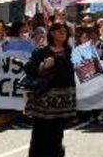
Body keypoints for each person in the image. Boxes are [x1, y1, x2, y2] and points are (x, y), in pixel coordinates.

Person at [24, 22, 76, 157]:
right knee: (41, 131)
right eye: (59, 31)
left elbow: (73, 69)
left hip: (62, 100)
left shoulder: (71, 51)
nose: (63, 33)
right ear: (52, 33)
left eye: (65, 31)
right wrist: (43, 65)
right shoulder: (41, 51)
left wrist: (57, 61)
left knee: (57, 132)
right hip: (43, 99)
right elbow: (29, 68)